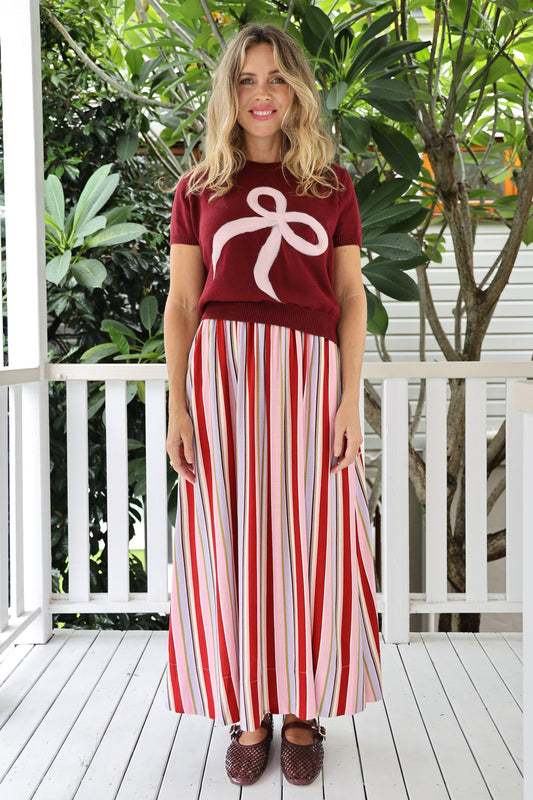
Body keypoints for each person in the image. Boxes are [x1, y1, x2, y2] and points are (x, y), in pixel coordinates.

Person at [164, 22, 383, 787]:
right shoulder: (197, 188)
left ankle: (301, 712)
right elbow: (182, 304)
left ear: (297, 90)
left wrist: (348, 399)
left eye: (276, 78)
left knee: (312, 541)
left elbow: (350, 297)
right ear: (229, 91)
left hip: (309, 378)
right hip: (221, 381)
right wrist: (178, 408)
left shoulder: (332, 185)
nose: (262, 94)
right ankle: (247, 712)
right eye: (247, 79)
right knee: (230, 541)